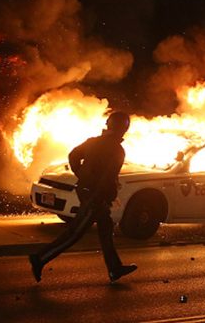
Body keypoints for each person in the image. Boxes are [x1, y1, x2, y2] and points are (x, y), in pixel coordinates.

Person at [28, 111, 137, 283]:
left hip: (89, 191)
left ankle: (114, 268)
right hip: (96, 197)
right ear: (123, 129)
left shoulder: (93, 142)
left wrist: (82, 175)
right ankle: (40, 258)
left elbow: (73, 156)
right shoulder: (116, 149)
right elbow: (107, 177)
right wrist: (101, 194)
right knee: (75, 233)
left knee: (106, 230)